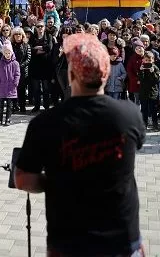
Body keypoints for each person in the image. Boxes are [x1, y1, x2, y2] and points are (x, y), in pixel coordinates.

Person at [15, 33, 146, 257]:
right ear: (106, 74)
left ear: (71, 74)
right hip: (122, 239)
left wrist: (57, 179)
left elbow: (23, 179)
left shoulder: (45, 123)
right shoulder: (130, 115)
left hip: (69, 242)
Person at [0, 41, 20, 126]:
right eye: (5, 53)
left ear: (11, 53)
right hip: (1, 87)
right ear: (3, 53)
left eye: (9, 53)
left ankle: (8, 119)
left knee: (9, 105)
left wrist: (15, 83)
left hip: (11, 88)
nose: (7, 54)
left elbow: (17, 74)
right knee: (0, 105)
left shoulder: (15, 64)